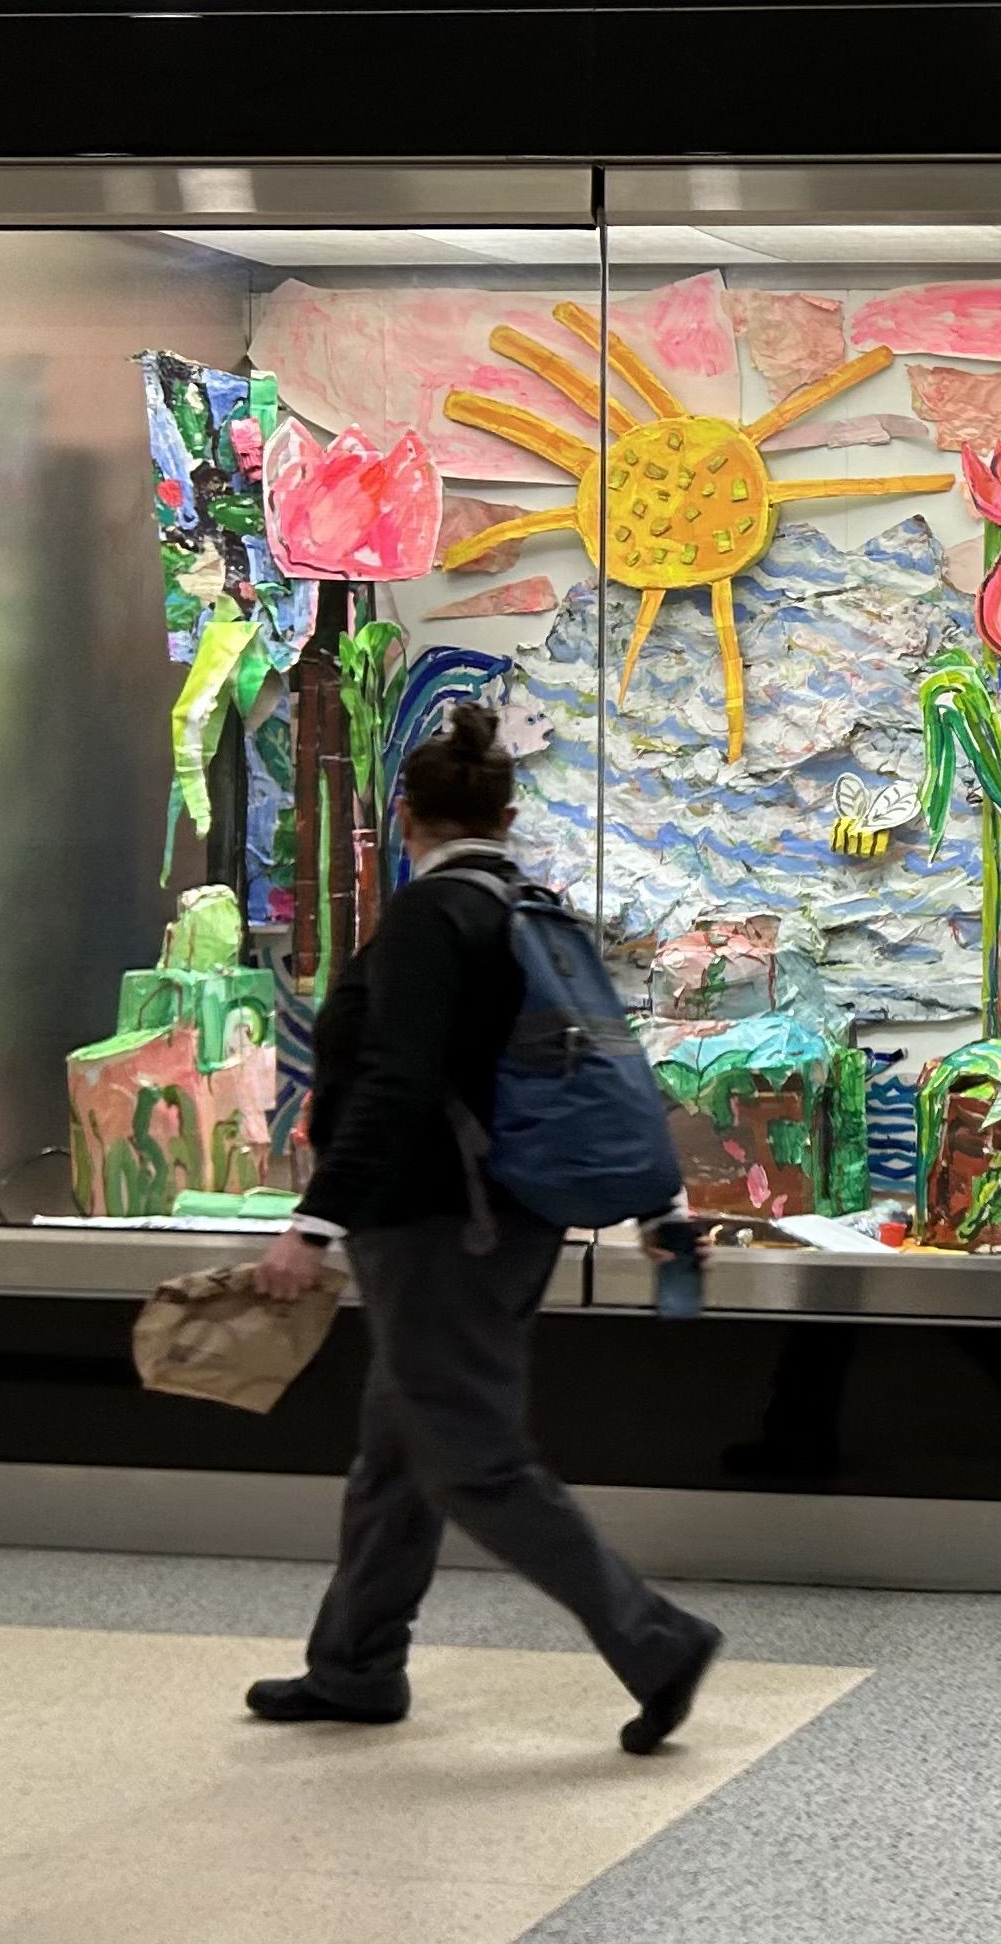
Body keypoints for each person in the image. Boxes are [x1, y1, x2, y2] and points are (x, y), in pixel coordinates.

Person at [242, 704, 723, 1754]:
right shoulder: (529, 910)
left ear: (403, 813)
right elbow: (615, 1068)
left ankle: (656, 1640)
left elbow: (395, 1086)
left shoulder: (430, 921)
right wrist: (662, 1205)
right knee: (397, 1448)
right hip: (512, 1220)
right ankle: (356, 1667)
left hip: (435, 1229)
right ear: (506, 814)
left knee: (471, 1458)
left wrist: (311, 1226)